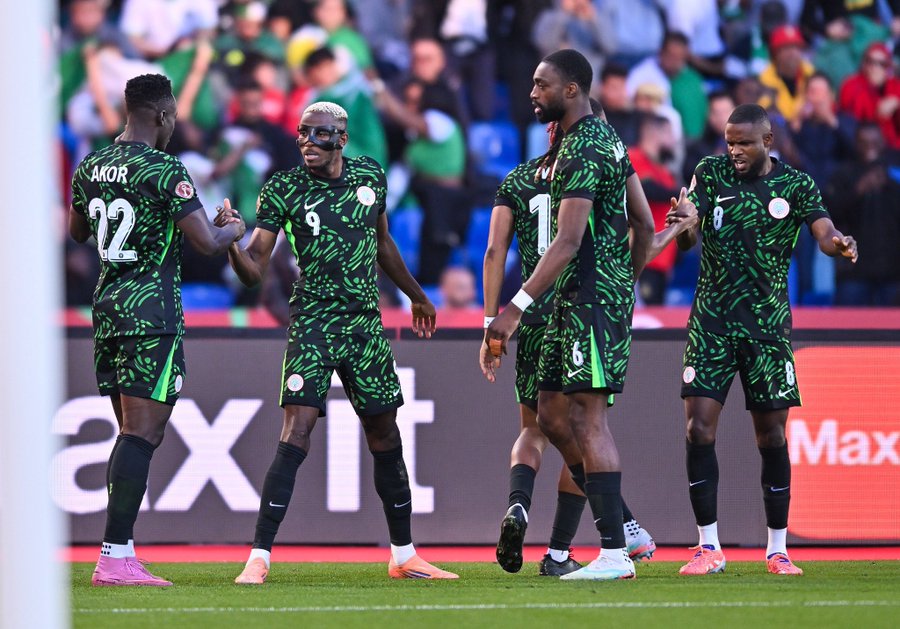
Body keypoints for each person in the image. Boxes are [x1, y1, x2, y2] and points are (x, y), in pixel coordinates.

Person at [222, 101, 456, 584]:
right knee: (297, 431)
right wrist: (231, 242)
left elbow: (383, 243)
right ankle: (258, 557)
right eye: (302, 133)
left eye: (319, 133)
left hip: (364, 322)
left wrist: (417, 295)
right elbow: (254, 270)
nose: (307, 141)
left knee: (385, 433)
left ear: (342, 139)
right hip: (313, 322)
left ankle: (404, 554)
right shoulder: (284, 187)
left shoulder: (370, 176)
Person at [482, 103, 694, 576]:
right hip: (574, 307)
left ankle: (535, 513)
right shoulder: (600, 167)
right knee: (575, 422)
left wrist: (493, 317)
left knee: (540, 428)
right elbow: (634, 237)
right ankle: (579, 544)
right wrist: (671, 234)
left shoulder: (518, 179)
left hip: (539, 311)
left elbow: (495, 251)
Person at [69, 73, 246, 586]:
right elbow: (207, 243)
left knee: (131, 433)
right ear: (163, 116)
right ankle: (114, 558)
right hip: (152, 314)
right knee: (141, 433)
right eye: (173, 120)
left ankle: (120, 553)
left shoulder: (91, 163)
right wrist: (234, 228)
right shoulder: (164, 169)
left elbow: (78, 233)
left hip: (108, 310)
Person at [675, 103, 858, 576]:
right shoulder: (709, 172)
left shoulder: (796, 185)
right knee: (698, 429)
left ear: (767, 142)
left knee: (772, 435)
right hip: (712, 323)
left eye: (744, 143)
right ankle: (708, 547)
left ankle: (778, 549)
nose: (734, 151)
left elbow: (823, 232)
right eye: (729, 142)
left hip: (767, 328)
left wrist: (838, 242)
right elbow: (688, 235)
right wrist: (684, 223)